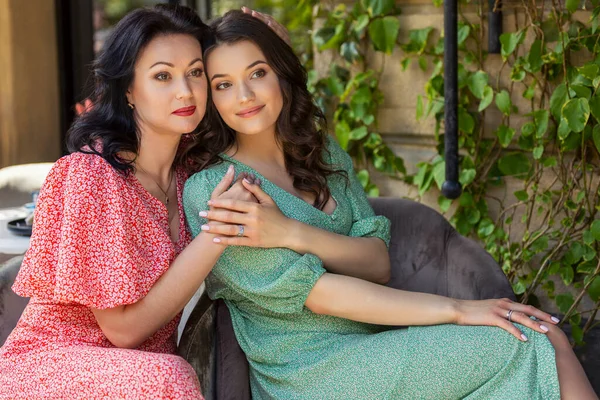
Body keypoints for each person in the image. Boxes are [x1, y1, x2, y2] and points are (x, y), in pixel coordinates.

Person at [182, 10, 598, 400]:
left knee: (545, 332)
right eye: (223, 84)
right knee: (526, 341)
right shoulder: (216, 190)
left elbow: (377, 263)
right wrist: (458, 310)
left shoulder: (321, 153)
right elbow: (321, 294)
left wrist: (292, 232)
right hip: (311, 371)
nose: (245, 95)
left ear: (282, 74)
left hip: (374, 341)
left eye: (258, 72)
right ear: (210, 97)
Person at [0, 5, 286, 399]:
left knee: (165, 374)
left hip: (143, 371)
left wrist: (273, 50)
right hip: (54, 363)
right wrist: (217, 232)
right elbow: (123, 330)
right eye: (162, 76)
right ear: (129, 90)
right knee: (167, 376)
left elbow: (263, 122)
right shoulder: (92, 175)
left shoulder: (194, 171)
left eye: (195, 73)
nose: (185, 91)